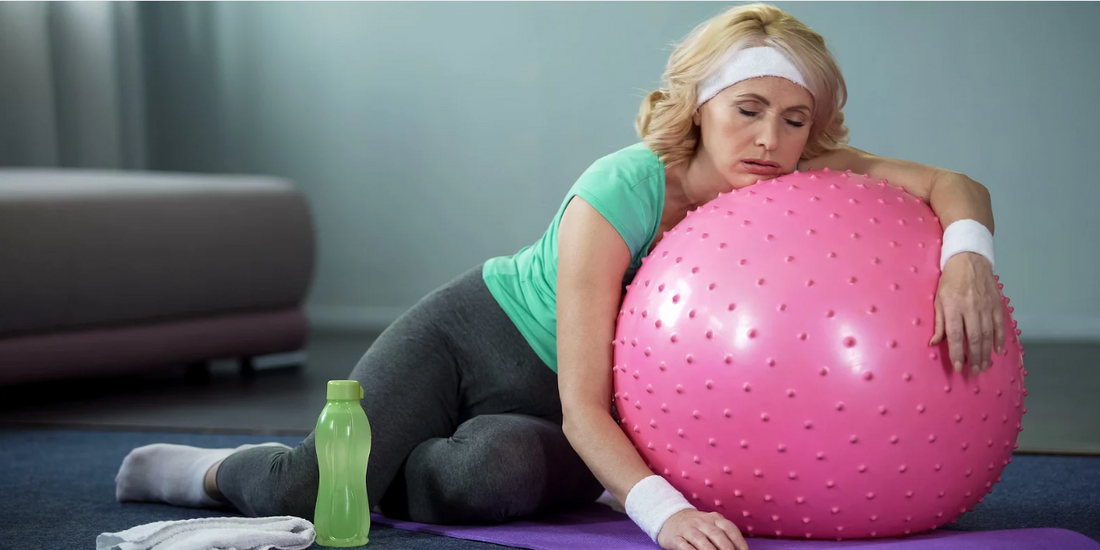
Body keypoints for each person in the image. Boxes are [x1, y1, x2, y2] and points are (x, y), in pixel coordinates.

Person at [114, 4, 1005, 550]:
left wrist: (967, 253)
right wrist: (662, 517)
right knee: (318, 494)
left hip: (574, 408)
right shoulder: (625, 183)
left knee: (493, 478)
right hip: (478, 339)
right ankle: (204, 470)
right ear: (702, 106)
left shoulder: (792, 178)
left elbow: (953, 184)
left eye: (794, 119)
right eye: (748, 110)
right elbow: (585, 408)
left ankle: (395, 465)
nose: (770, 139)